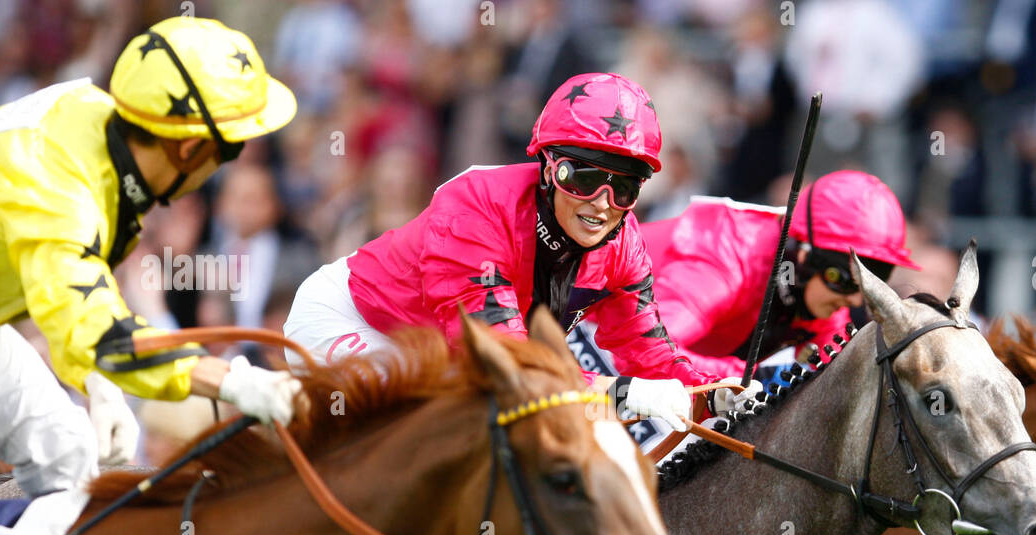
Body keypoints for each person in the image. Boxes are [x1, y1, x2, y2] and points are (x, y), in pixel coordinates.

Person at [0, 18, 300, 535]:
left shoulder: (103, 129)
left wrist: (98, 382)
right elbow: (91, 324)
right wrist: (232, 380)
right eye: (228, 152)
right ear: (187, 147)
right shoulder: (54, 176)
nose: (226, 169)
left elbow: (76, 294)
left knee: (75, 464)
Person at [284, 72, 758, 431]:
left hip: (443, 350)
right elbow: (504, 367)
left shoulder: (624, 245)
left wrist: (715, 392)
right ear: (548, 167)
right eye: (585, 177)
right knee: (441, 428)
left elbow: (651, 354)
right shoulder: (476, 211)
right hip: (352, 319)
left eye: (625, 188)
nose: (602, 205)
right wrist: (623, 394)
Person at [639, 170, 919, 380]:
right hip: (600, 341)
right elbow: (643, 352)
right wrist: (744, 378)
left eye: (871, 285)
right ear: (803, 257)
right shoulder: (728, 260)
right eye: (842, 280)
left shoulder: (824, 306)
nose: (856, 300)